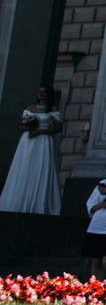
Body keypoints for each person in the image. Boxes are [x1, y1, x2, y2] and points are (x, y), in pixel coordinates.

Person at [0, 84, 65, 216]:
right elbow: (21, 126)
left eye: (44, 92)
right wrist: (29, 127)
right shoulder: (30, 109)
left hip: (42, 140)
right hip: (28, 140)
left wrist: (40, 131)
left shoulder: (51, 109)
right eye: (39, 91)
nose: (40, 94)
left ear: (48, 94)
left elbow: (58, 128)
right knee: (24, 165)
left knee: (41, 166)